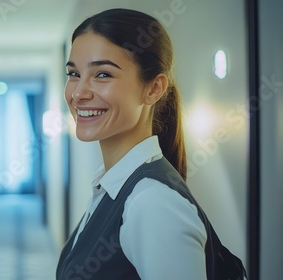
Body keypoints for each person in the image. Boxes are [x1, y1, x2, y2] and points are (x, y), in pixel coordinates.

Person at [56, 8, 245, 280]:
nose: (78, 93)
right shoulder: (113, 185)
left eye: (103, 75)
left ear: (154, 89)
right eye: (73, 74)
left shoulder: (151, 201)